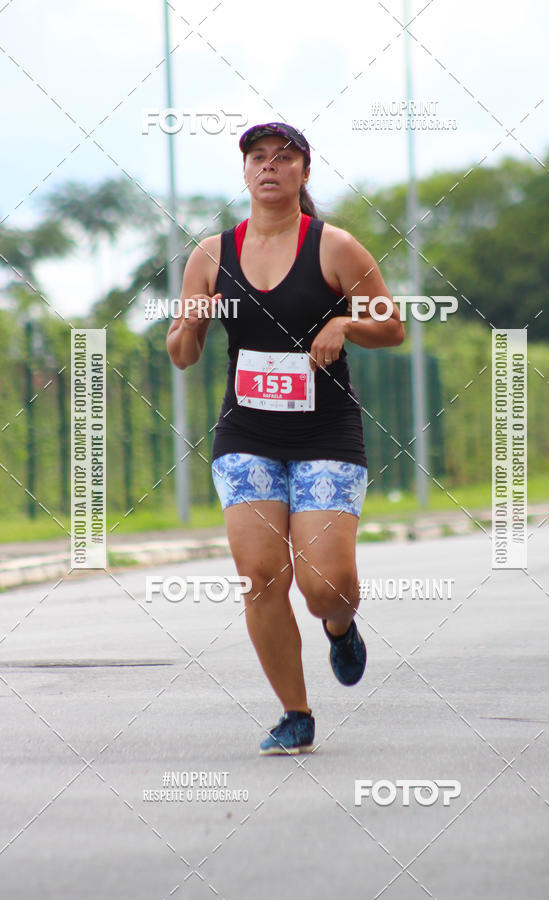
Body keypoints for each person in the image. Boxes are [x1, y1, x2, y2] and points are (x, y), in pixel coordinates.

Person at [166, 122, 404, 755]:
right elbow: (182, 355)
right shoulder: (211, 255)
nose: (269, 167)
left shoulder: (335, 247)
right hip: (246, 434)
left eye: (284, 158)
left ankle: (340, 623)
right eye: (258, 159)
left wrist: (347, 325)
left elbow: (393, 326)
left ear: (304, 172)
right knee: (261, 575)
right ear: (245, 174)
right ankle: (294, 712)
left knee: (321, 583)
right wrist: (188, 326)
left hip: (326, 432)